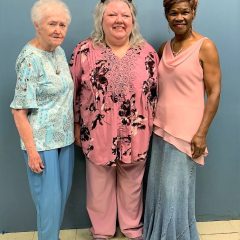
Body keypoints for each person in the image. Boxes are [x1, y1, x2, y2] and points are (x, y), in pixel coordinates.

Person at [70, 0, 158, 239]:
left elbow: (155, 94)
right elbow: (73, 91)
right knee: (99, 186)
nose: (119, 20)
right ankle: (102, 231)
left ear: (133, 20)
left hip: (136, 133)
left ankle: (131, 227)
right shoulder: (84, 51)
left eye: (125, 15)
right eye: (112, 14)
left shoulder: (147, 53)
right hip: (96, 133)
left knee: (133, 184)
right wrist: (76, 124)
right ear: (101, 19)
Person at [144, 0, 221, 239]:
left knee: (174, 192)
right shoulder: (163, 48)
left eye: (185, 12)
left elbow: (215, 92)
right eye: (174, 12)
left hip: (186, 134)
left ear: (194, 13)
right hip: (160, 130)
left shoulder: (205, 46)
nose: (179, 17)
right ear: (167, 16)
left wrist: (202, 133)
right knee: (158, 189)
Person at [10, 1, 74, 239]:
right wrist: (32, 151)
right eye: (52, 24)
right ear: (37, 25)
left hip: (64, 139)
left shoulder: (58, 51)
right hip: (41, 144)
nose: (58, 30)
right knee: (48, 206)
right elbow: (18, 111)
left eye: (62, 24)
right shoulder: (29, 59)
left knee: (59, 201)